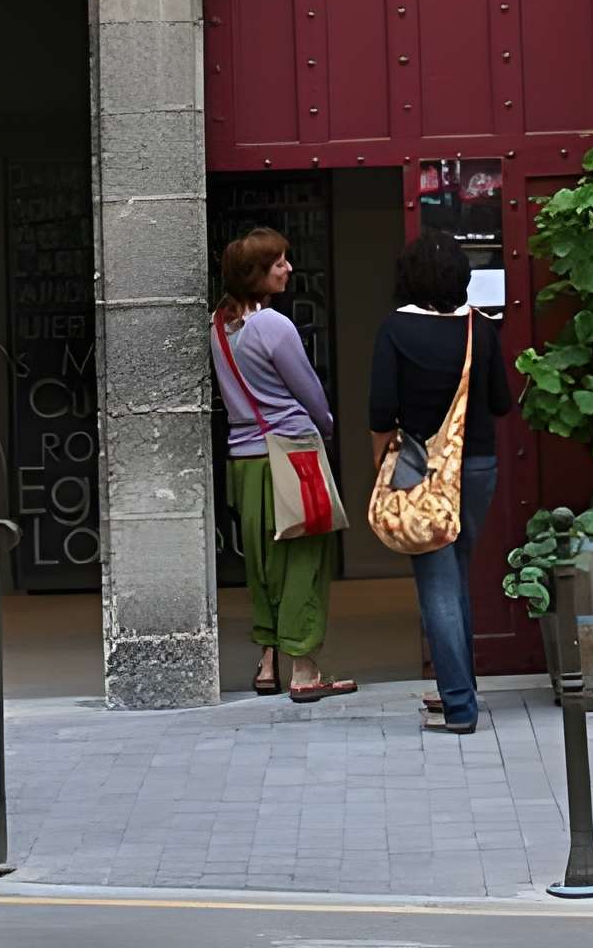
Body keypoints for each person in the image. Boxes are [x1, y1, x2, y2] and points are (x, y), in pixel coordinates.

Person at [369, 231, 512, 734]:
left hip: (420, 473)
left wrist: (381, 471)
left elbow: (381, 411)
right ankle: (462, 688)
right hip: (477, 469)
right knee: (456, 576)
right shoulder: (481, 329)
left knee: (436, 583)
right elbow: (500, 403)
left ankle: (458, 706)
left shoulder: (394, 330)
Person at [209, 227, 355, 704]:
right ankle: (305, 668)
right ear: (256, 274)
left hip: (245, 460)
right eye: (278, 263)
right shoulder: (275, 325)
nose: (288, 268)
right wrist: (328, 425)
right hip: (291, 454)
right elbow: (309, 392)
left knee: (265, 563)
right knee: (304, 559)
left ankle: (267, 661)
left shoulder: (219, 325)